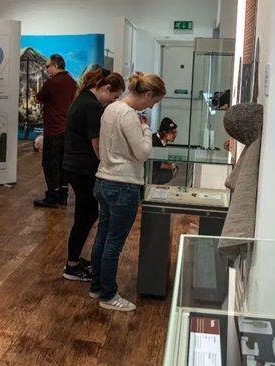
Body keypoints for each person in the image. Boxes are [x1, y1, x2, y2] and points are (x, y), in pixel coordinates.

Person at [90, 72, 166, 311]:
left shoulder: (110, 108)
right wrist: (146, 130)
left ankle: (97, 286)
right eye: (153, 102)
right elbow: (143, 152)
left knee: (103, 236)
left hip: (103, 179)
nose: (152, 106)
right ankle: (109, 295)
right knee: (114, 242)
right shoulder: (130, 116)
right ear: (147, 94)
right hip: (123, 184)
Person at [62, 67, 125, 282]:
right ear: (106, 88)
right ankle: (71, 265)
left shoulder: (82, 99)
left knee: (85, 214)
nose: (112, 101)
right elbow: (97, 146)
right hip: (82, 168)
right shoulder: (91, 106)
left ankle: (74, 260)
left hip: (74, 166)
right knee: (86, 215)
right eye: (114, 96)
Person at [33, 54, 78, 208]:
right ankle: (63, 196)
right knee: (62, 164)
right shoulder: (72, 82)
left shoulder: (52, 83)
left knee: (50, 164)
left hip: (53, 130)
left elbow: (39, 98)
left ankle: (52, 197)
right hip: (67, 129)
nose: (46, 69)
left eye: (48, 66)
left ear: (56, 66)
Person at [151, 117, 179, 184]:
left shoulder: (157, 139)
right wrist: (171, 166)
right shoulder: (155, 142)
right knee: (169, 173)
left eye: (175, 132)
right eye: (172, 132)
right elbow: (156, 165)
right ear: (164, 132)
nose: (175, 135)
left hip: (150, 169)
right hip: (148, 172)